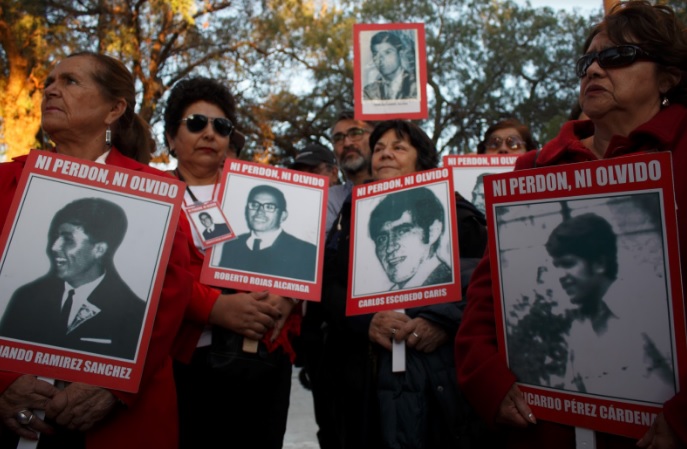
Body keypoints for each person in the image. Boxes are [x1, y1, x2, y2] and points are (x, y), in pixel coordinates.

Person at [455, 2, 687, 448]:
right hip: (541, 429)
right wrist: (489, 381)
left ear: (668, 77)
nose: (595, 69)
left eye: (617, 56)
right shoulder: (534, 167)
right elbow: (487, 299)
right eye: (587, 60)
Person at [0, 51, 193, 449]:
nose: (50, 89)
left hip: (121, 424)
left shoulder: (152, 191)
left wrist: (115, 386)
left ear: (114, 109)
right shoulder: (7, 181)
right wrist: (4, 382)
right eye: (49, 82)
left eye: (70, 81)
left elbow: (172, 296)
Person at [318, 119, 491, 449]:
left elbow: (487, 282)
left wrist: (443, 321)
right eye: (379, 148)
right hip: (368, 383)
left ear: (422, 159)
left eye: (398, 147)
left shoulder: (458, 214)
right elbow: (329, 286)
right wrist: (365, 321)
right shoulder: (351, 215)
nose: (385, 154)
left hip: (443, 383)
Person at [164, 76, 299, 449]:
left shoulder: (261, 192)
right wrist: (216, 309)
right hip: (185, 362)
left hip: (264, 361)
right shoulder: (152, 193)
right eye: (196, 123)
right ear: (171, 139)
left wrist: (289, 298)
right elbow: (154, 278)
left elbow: (300, 260)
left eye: (220, 126)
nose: (209, 133)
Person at [0, 198, 145, 360]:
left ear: (98, 249)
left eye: (68, 239)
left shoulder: (134, 314)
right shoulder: (26, 298)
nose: (54, 247)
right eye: (56, 237)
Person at [218, 184, 317, 281]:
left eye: (269, 207)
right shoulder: (231, 245)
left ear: (283, 215)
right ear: (246, 210)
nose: (259, 211)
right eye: (254, 205)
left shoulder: (306, 252)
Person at [368, 187, 451, 290]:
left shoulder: (449, 284)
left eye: (402, 231)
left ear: (433, 231)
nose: (390, 248)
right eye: (382, 239)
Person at [363, 31, 417, 101]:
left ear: (400, 54)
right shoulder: (368, 92)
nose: (381, 59)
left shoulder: (416, 85)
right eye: (376, 55)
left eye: (387, 52)